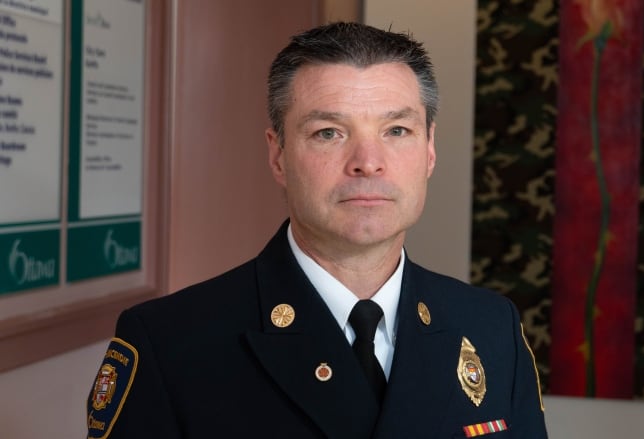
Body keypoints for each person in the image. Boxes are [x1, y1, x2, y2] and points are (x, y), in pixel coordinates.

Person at [86, 22, 548, 439]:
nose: (368, 161)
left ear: (429, 149)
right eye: (329, 132)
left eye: (397, 130)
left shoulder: (490, 328)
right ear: (278, 155)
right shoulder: (170, 344)